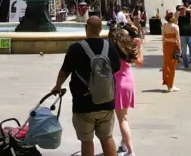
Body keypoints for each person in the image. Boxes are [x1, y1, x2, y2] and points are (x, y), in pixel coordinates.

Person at [52, 16, 121, 156]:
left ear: (86, 29)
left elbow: (64, 71)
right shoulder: (110, 48)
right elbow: (116, 68)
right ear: (101, 29)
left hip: (83, 104)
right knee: (107, 137)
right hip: (106, 102)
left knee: (87, 140)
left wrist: (57, 86)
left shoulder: (76, 48)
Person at [109, 21, 141, 156]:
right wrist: (139, 46)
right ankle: (123, 143)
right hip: (129, 82)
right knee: (124, 116)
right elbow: (139, 63)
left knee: (122, 119)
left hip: (118, 83)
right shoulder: (128, 49)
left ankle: (130, 151)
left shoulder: (111, 51)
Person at [175, 6, 191, 70]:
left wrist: (186, 9)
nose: (182, 11)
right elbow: (175, 23)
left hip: (189, 35)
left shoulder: (188, 14)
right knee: (184, 52)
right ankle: (186, 65)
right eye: (181, 9)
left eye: (183, 9)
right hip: (182, 35)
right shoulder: (178, 16)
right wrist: (177, 15)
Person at [161, 10, 179, 93]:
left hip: (166, 46)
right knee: (172, 66)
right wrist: (180, 49)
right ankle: (171, 85)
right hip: (174, 46)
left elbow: (163, 38)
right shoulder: (175, 27)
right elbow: (178, 39)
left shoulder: (164, 26)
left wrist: (163, 48)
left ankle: (168, 84)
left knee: (166, 65)